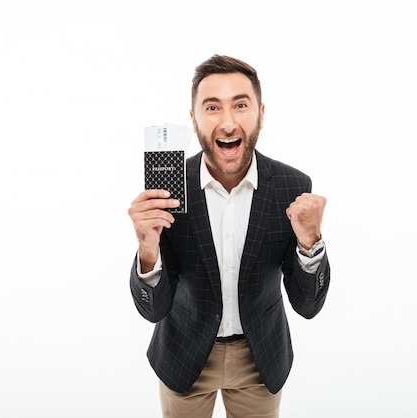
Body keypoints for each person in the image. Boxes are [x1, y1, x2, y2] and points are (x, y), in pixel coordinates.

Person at [128, 54, 331, 418]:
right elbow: (153, 309)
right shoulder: (168, 191)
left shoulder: (292, 186)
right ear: (193, 120)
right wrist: (147, 248)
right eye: (211, 107)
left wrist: (310, 242)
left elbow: (308, 305)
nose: (227, 122)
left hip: (261, 358)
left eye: (240, 105)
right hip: (184, 354)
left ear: (261, 114)